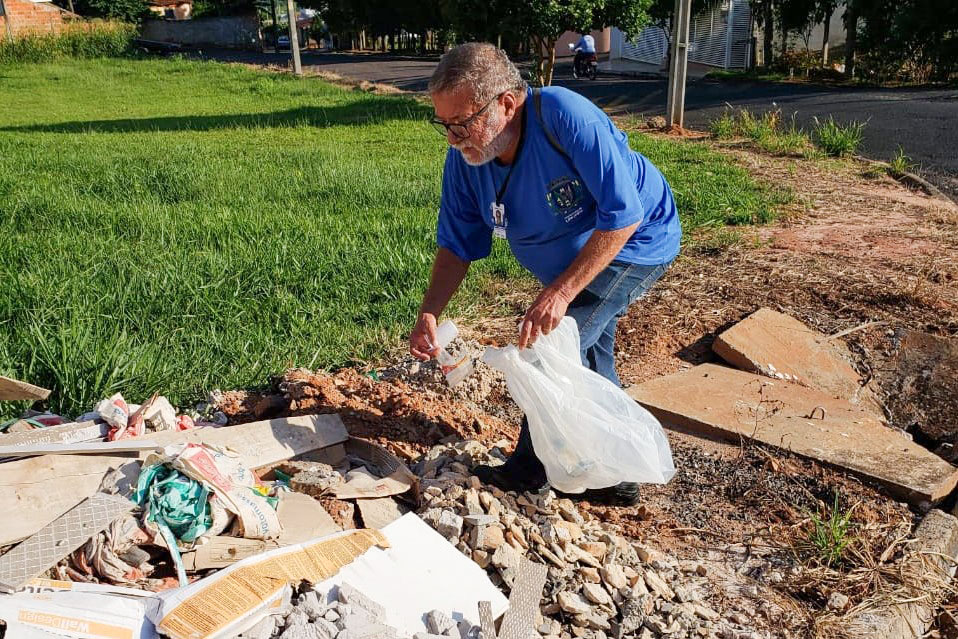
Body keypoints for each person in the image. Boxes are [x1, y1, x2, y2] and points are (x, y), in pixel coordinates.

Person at [411, 43, 681, 506]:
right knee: (589, 357)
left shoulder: (564, 117)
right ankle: (616, 474)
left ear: (506, 104)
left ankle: (528, 472)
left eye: (462, 123)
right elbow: (457, 244)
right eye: (444, 125)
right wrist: (430, 313)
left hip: (635, 242)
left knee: (549, 350)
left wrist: (560, 292)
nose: (453, 138)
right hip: (578, 259)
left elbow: (623, 215)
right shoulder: (467, 160)